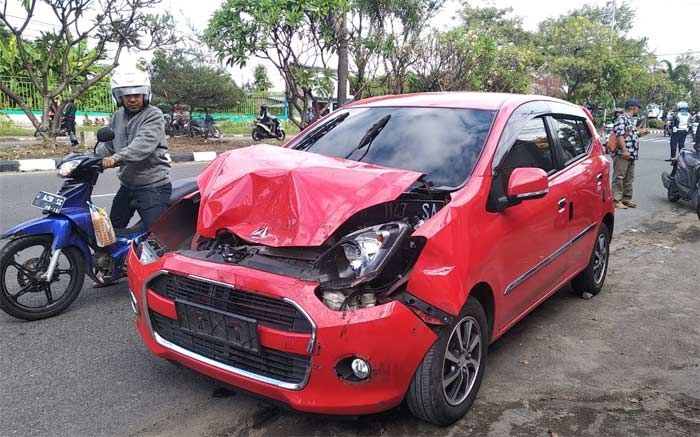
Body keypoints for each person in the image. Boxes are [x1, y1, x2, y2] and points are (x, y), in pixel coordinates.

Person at [96, 67, 171, 230]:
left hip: (153, 187)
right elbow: (109, 145)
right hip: (128, 185)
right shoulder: (117, 115)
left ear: (145, 95)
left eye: (136, 95)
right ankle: (111, 256)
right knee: (112, 230)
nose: (132, 99)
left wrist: (115, 159)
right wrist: (89, 158)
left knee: (157, 236)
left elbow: (142, 145)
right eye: (127, 95)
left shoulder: (153, 115)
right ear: (119, 97)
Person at [611, 99, 648, 209]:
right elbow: (620, 135)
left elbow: (631, 135)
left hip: (632, 154)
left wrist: (641, 134)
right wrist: (624, 150)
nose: (638, 109)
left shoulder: (630, 120)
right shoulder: (622, 118)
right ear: (632, 107)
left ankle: (626, 199)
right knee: (619, 176)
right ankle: (616, 200)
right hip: (623, 154)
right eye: (638, 107)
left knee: (629, 178)